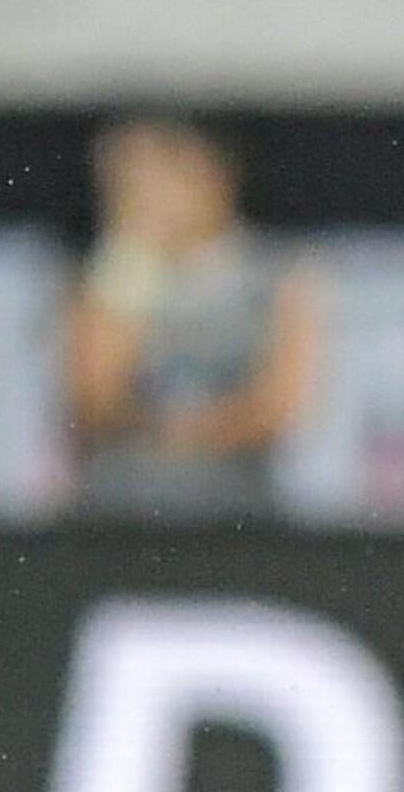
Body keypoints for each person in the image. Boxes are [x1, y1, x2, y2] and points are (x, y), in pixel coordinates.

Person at [65, 117, 320, 518]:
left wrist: (196, 435)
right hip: (124, 511)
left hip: (238, 512)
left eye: (156, 177)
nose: (140, 197)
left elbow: (280, 405)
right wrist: (130, 265)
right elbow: (93, 398)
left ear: (210, 174)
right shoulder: (115, 272)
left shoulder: (275, 270)